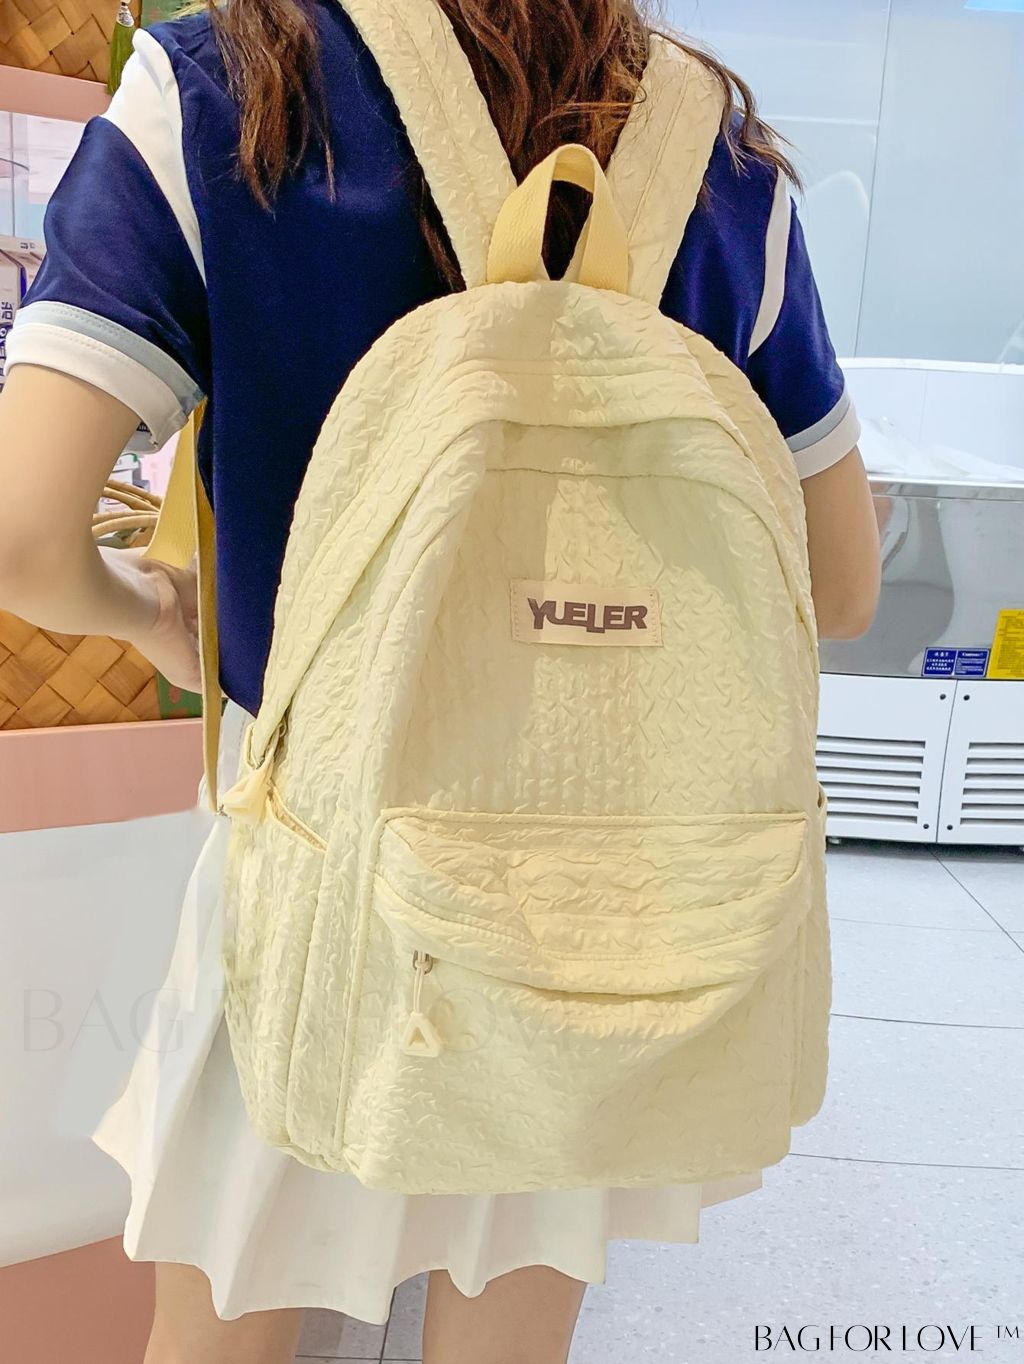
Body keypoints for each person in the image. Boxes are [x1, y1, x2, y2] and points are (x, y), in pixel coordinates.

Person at [0, 0, 881, 1359]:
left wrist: (165, 618)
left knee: (229, 1310)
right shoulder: (718, 158)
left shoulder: (227, 86)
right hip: (606, 901)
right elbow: (840, 591)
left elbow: (22, 534)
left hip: (308, 869)